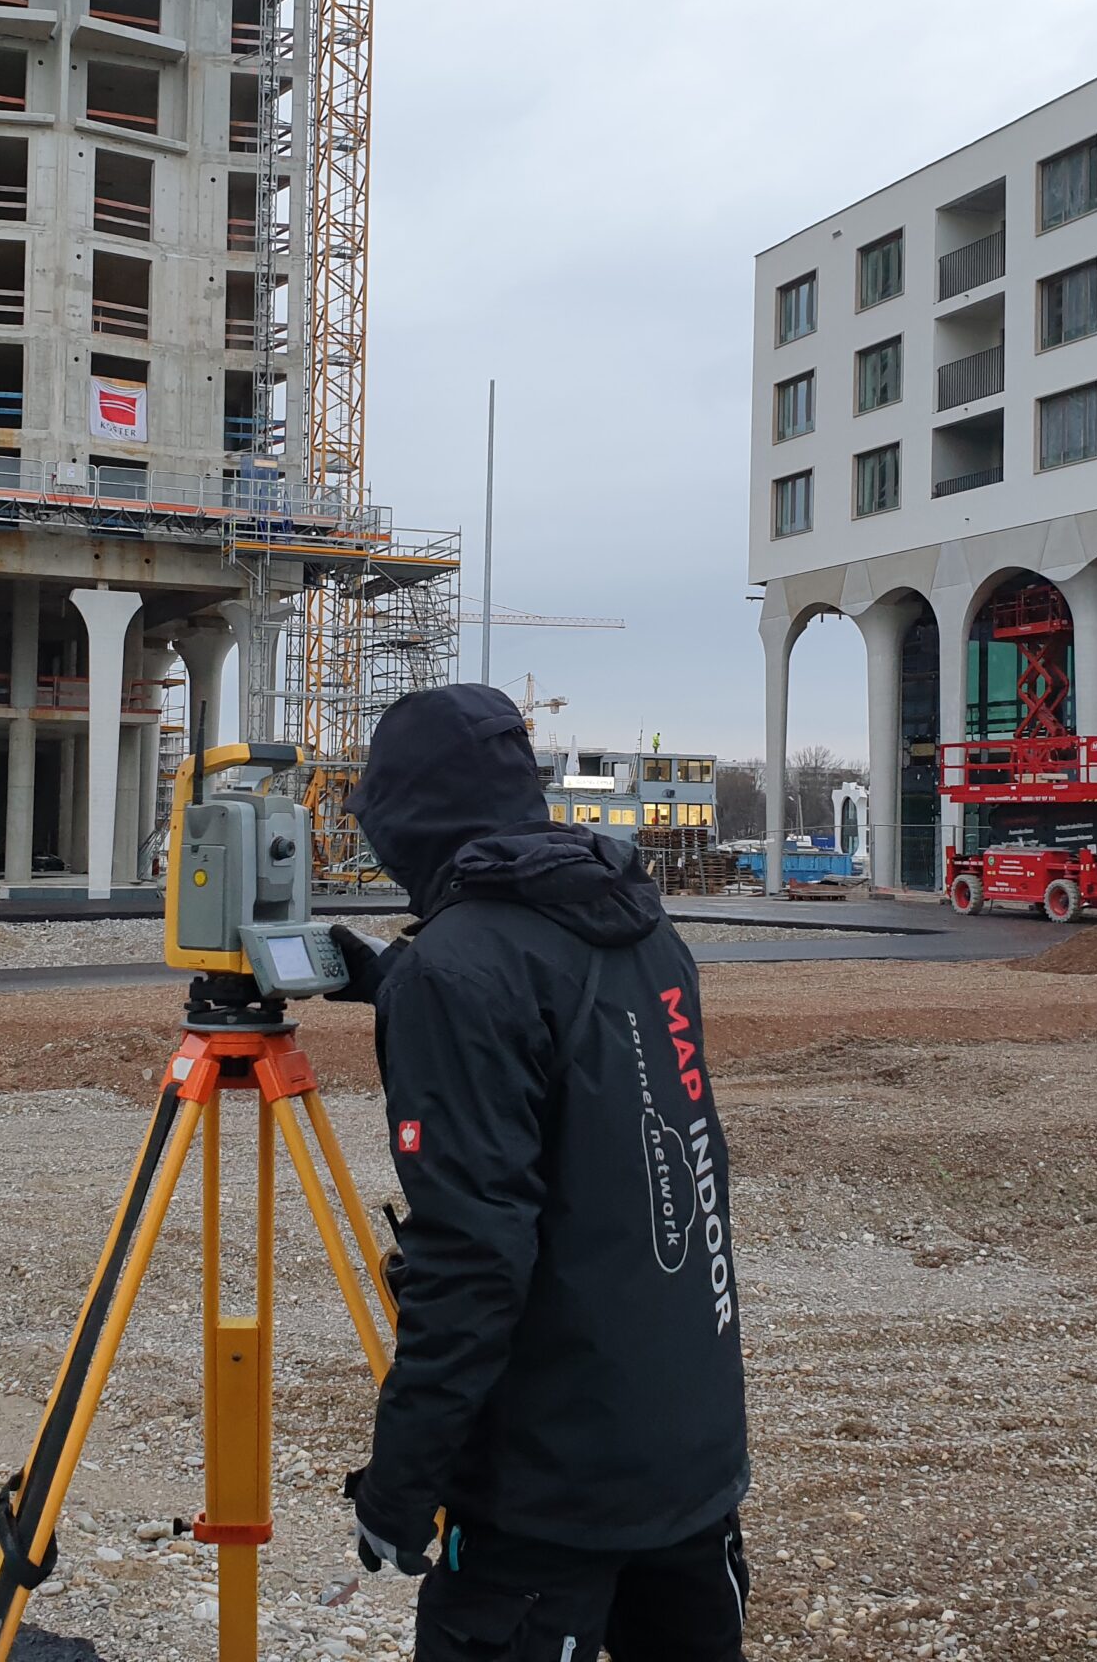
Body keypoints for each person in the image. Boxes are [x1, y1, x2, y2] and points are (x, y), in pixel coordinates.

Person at [327, 683, 750, 1662]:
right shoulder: (639, 926)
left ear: (410, 818)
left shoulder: (459, 974)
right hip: (688, 1465)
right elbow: (570, 1057)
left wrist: (399, 1488)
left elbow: (472, 1262)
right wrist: (387, 980)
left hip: (548, 1503)